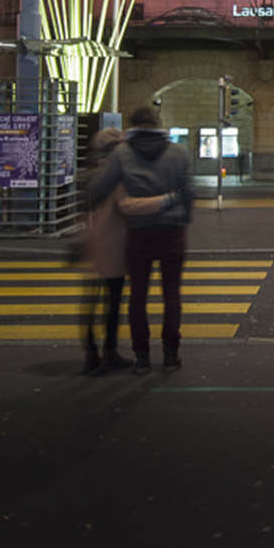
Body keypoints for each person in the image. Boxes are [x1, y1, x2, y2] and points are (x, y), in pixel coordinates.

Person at [91, 105, 195, 373]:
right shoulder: (178, 152)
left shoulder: (122, 153)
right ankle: (171, 353)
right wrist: (182, 220)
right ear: (157, 122)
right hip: (172, 231)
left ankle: (142, 355)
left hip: (139, 233)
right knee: (171, 293)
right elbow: (189, 191)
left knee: (138, 295)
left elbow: (100, 189)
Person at [77, 127, 131, 375]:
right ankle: (109, 351)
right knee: (113, 300)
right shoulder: (117, 175)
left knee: (89, 299)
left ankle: (90, 352)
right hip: (113, 240)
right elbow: (124, 207)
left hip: (91, 241)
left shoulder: (88, 174)